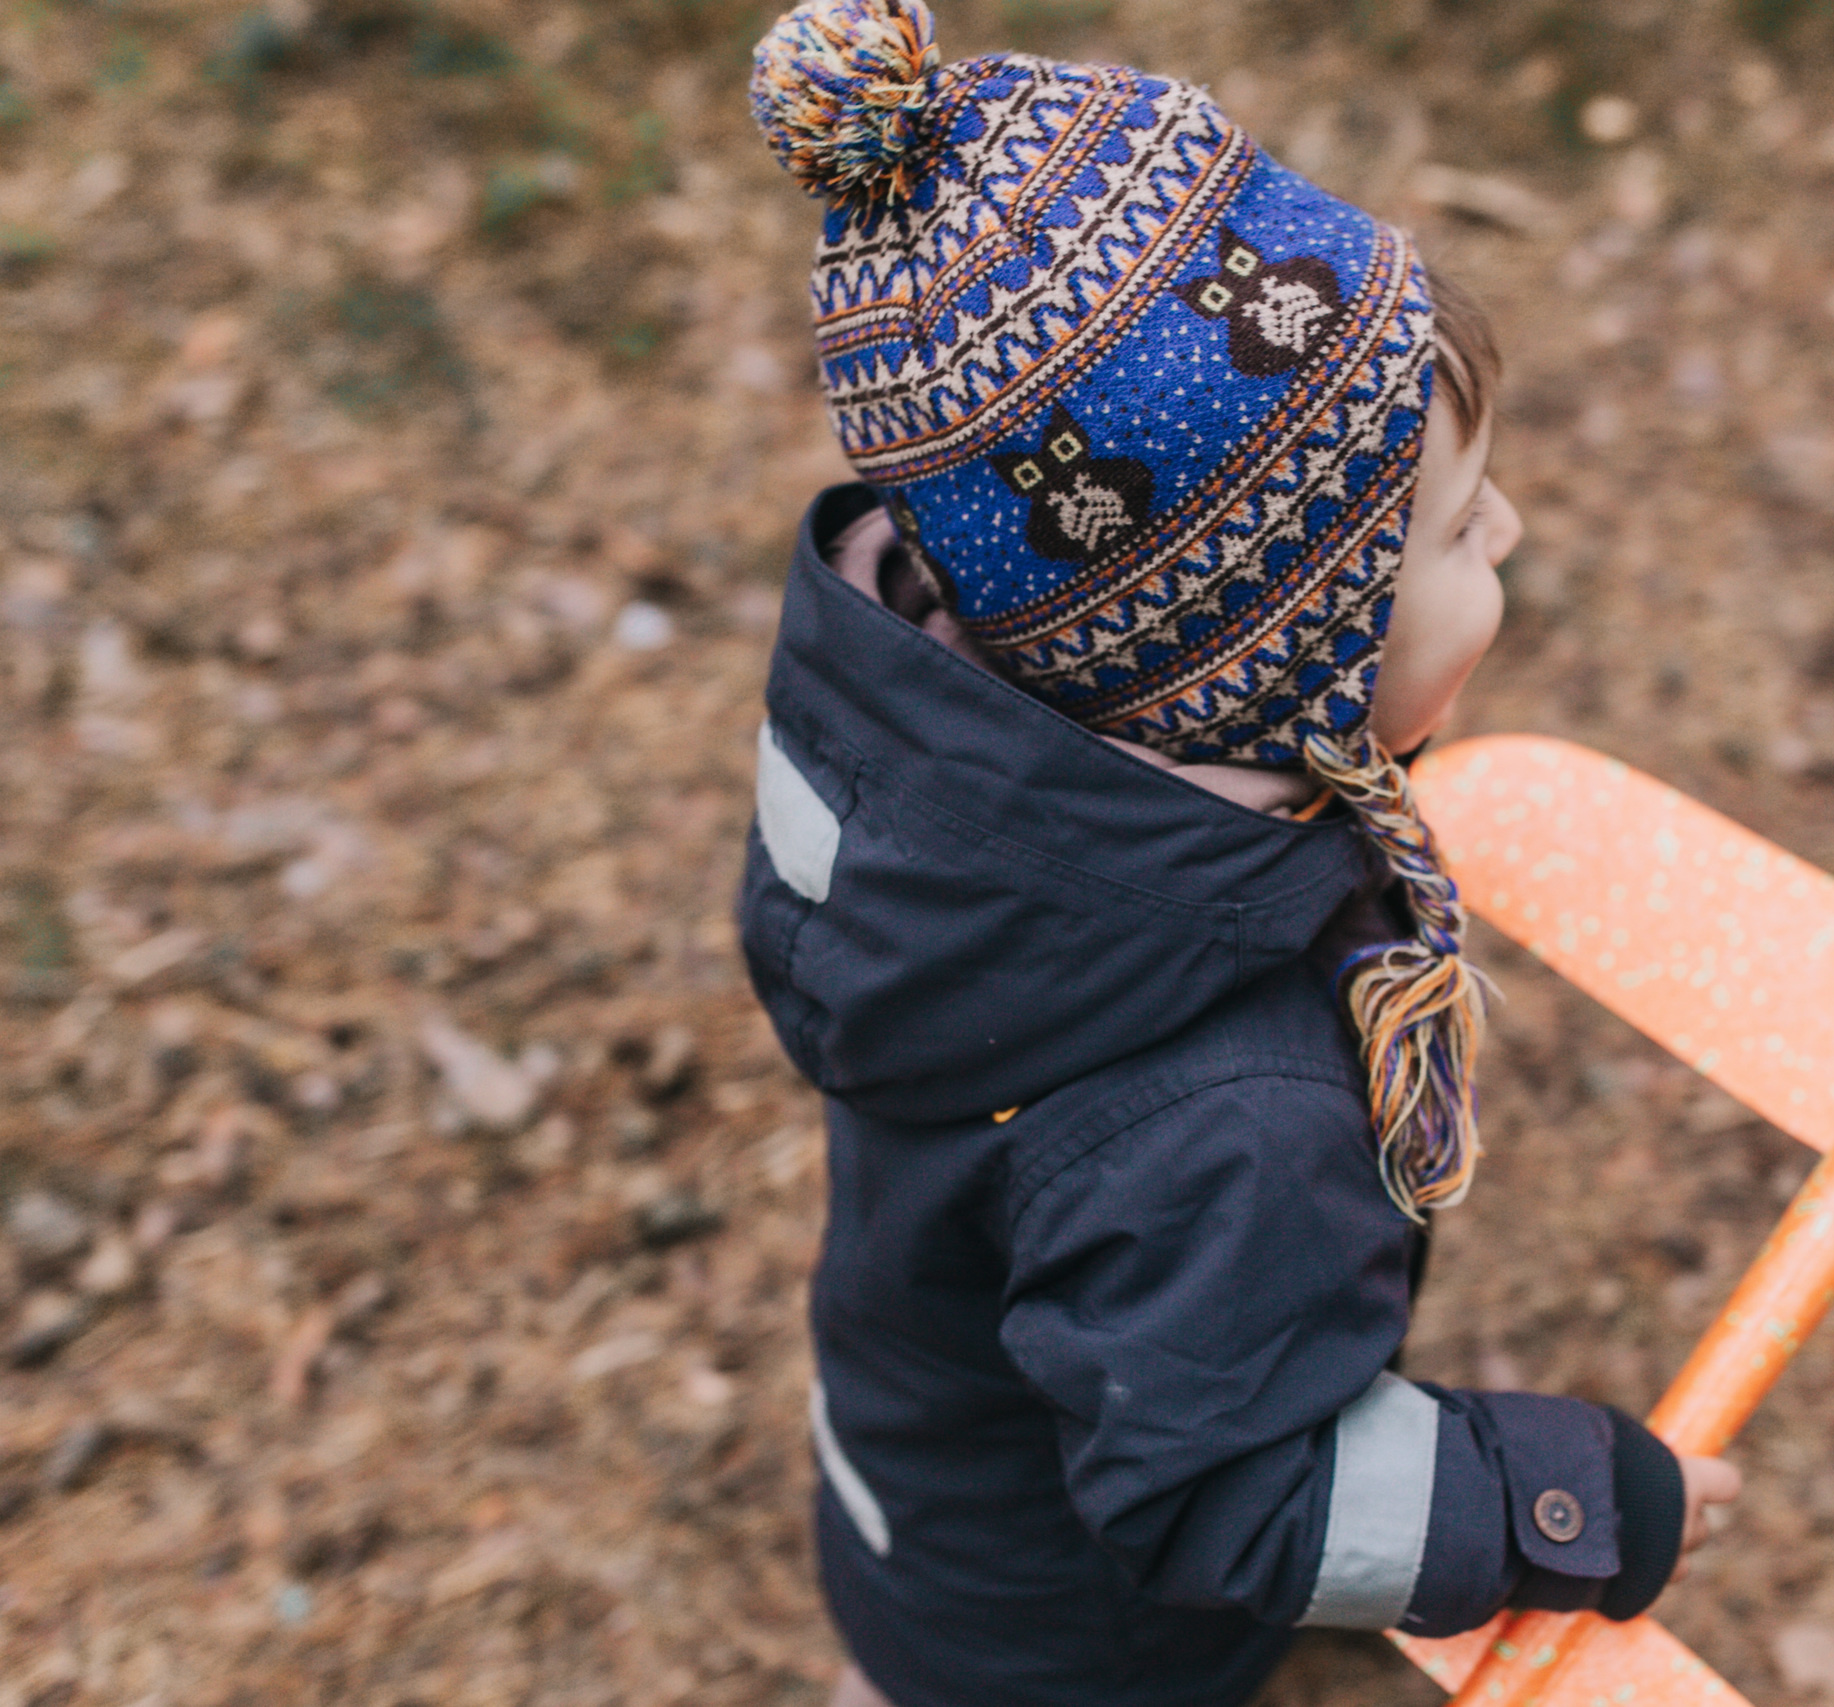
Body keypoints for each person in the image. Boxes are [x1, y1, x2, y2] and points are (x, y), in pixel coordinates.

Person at [732, 5, 1741, 1704]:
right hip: (1074, 1648)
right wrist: (1575, 1500)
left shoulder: (938, 811)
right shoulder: (1218, 1120)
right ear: (1276, 655)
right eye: (1453, 526)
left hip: (927, 1493)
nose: (1515, 530)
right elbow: (1230, 1493)